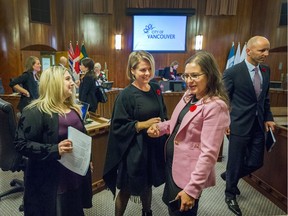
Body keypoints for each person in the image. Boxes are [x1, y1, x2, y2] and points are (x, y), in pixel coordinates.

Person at [147, 51, 230, 216]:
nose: (189, 81)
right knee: (172, 209)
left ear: (210, 75)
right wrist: (160, 128)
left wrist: (192, 190)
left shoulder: (216, 106)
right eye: (186, 75)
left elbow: (209, 154)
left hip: (189, 175)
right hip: (173, 166)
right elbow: (176, 124)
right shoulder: (189, 95)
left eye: (195, 75)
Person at [14, 66, 93, 216]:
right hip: (50, 181)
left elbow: (83, 135)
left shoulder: (74, 108)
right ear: (54, 83)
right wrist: (55, 149)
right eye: (68, 79)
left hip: (73, 175)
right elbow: (21, 144)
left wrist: (88, 159)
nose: (73, 83)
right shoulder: (35, 111)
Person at [103, 50, 168, 216]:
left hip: (152, 146)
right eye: (142, 70)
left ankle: (147, 212)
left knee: (148, 183)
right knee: (127, 188)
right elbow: (117, 127)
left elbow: (163, 115)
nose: (147, 73)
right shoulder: (125, 95)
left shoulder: (155, 88)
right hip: (133, 150)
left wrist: (158, 127)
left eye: (149, 69)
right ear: (132, 70)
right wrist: (142, 124)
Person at [221, 36, 276, 215]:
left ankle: (229, 176)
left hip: (259, 125)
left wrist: (268, 117)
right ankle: (230, 194)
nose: (266, 54)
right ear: (249, 51)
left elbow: (265, 99)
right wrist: (224, 122)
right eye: (262, 50)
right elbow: (223, 101)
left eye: (268, 50)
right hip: (238, 125)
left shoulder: (266, 70)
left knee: (256, 162)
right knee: (235, 161)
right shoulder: (232, 72)